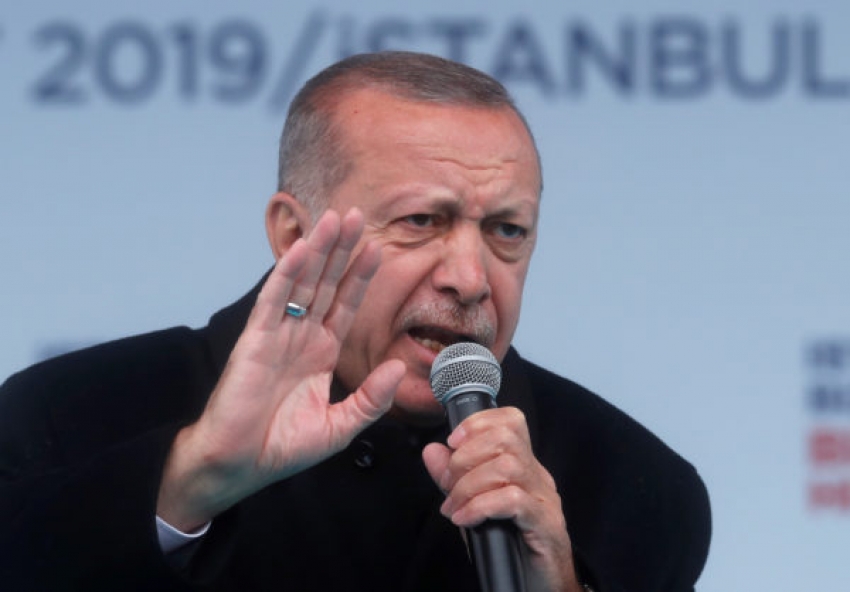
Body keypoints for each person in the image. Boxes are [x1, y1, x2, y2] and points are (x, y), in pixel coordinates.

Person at [0, 51, 710, 592]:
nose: (470, 279)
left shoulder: (631, 488)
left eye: (507, 231)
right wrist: (186, 484)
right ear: (294, 235)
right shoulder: (69, 418)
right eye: (421, 220)